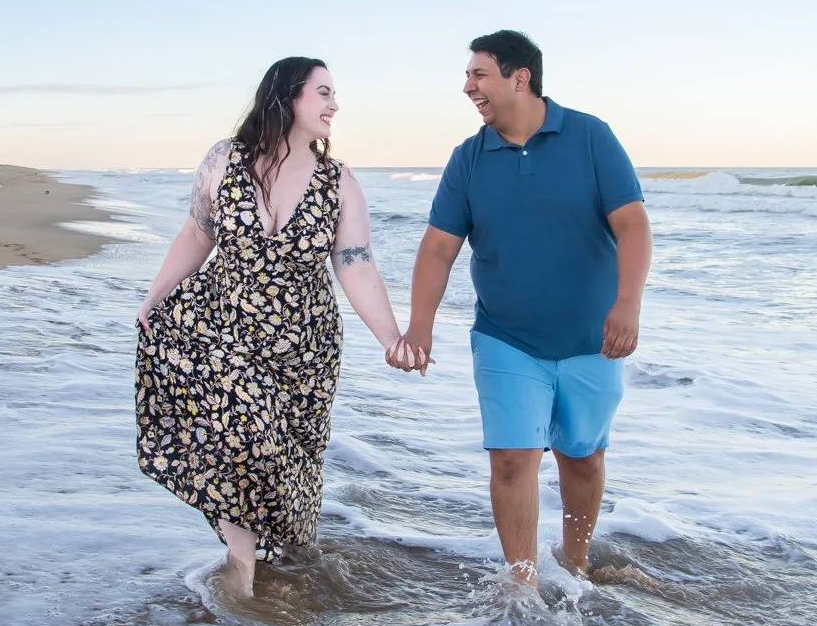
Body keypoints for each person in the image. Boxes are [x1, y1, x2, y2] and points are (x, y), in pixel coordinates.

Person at [136, 57, 419, 596]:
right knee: (242, 437)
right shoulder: (225, 159)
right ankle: (241, 566)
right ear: (288, 96)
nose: (335, 105)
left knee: (291, 464)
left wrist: (391, 338)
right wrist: (155, 295)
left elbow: (356, 264)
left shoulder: (338, 182)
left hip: (306, 349)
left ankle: (289, 562)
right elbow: (197, 234)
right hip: (225, 329)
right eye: (323, 93)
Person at [390, 30, 651, 587]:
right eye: (468, 76)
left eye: (478, 74)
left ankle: (575, 563)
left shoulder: (590, 137)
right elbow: (438, 248)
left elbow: (632, 224)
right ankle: (522, 586)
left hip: (593, 337)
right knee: (511, 459)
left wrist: (628, 304)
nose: (468, 87)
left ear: (519, 78)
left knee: (582, 458)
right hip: (505, 336)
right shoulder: (468, 158)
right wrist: (420, 326)